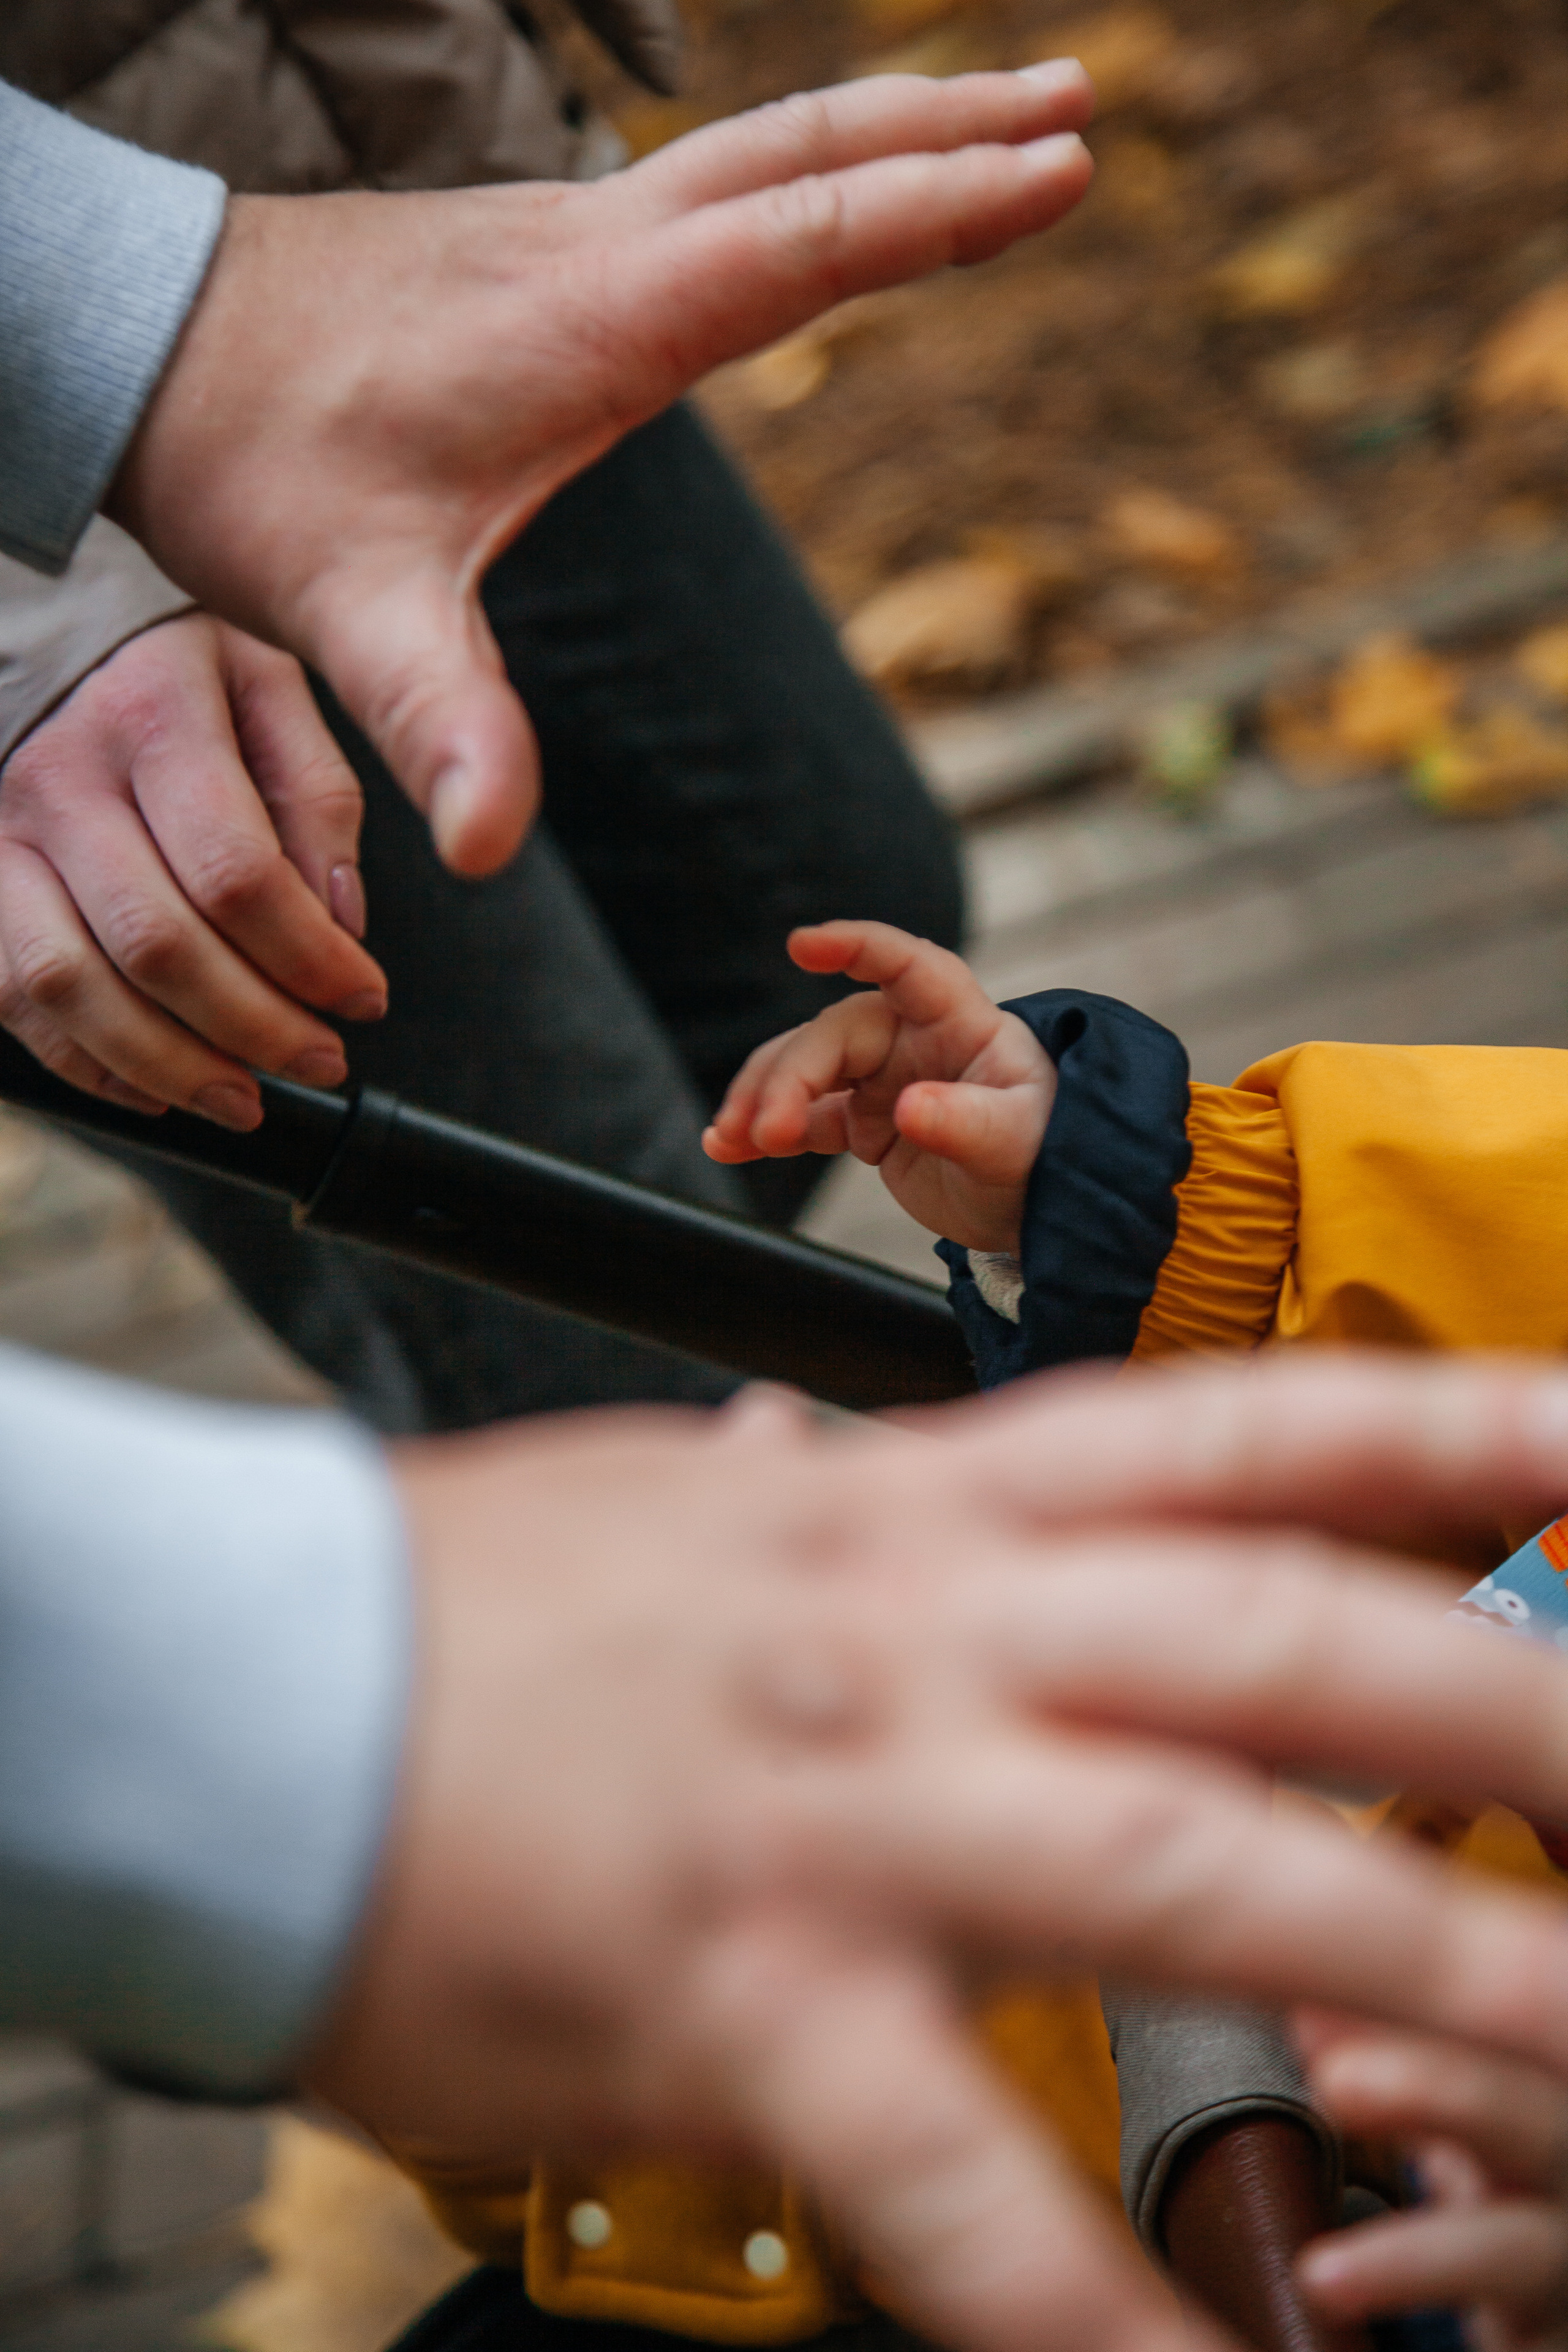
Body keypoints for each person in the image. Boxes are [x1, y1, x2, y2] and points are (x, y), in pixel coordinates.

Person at [16, 68, 1568, 2352]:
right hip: (918, 1996)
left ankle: (268, 1980)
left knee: (587, 1388)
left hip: (924, 2136)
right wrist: (1146, 1197)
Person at [0, 0, 970, 1428]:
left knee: (817, 918)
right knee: (587, 1314)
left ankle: (486, 1478)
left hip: (410, 175)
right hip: (66, 458)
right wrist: (34, 601)